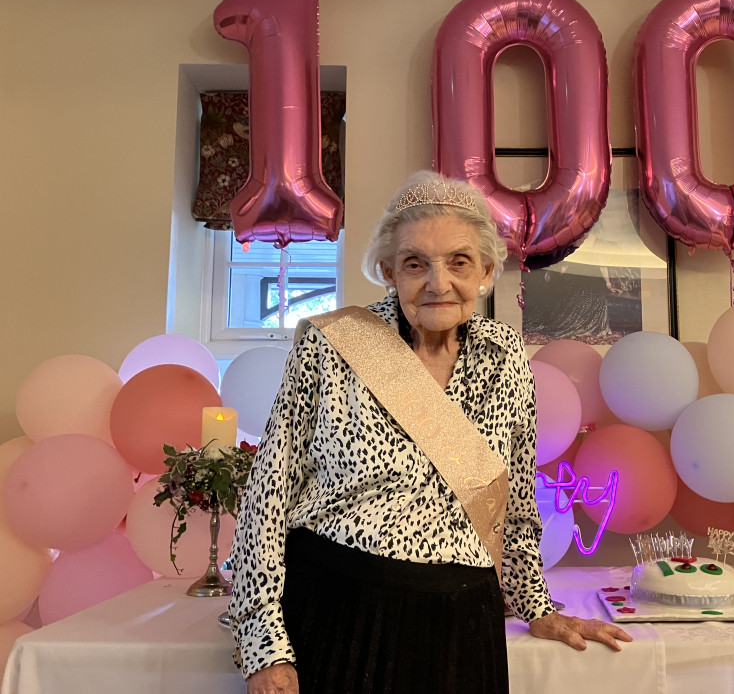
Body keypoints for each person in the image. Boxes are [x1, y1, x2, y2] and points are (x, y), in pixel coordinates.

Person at [229, 170, 632, 694]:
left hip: (463, 622)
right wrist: (265, 645)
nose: (439, 283)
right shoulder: (332, 347)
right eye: (415, 263)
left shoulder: (506, 357)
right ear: (388, 271)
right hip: (340, 608)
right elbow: (267, 495)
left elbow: (511, 502)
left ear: (487, 270)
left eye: (459, 262)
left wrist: (535, 605)